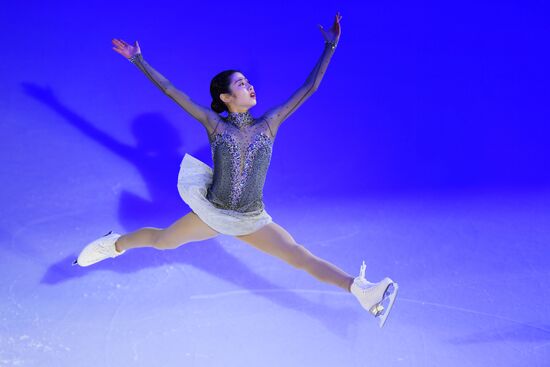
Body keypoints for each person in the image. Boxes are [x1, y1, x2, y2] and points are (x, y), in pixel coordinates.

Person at [74, 12, 398, 328]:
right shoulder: (215, 125)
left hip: (250, 219)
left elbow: (308, 88)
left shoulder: (270, 123)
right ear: (226, 97)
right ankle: (114, 245)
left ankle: (361, 290)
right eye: (241, 84)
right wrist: (138, 60)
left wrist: (330, 46)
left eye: (248, 82)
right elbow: (172, 92)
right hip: (213, 213)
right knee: (161, 241)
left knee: (299, 257)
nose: (250, 87)